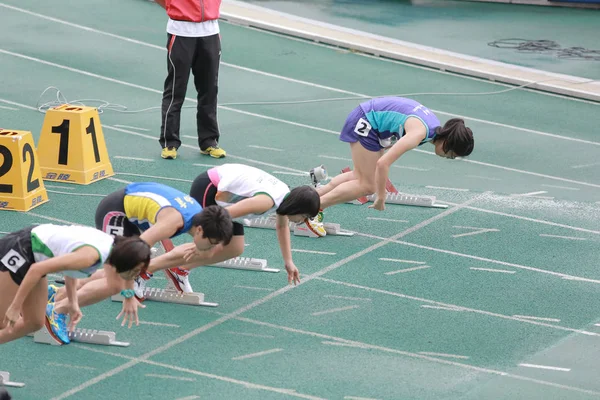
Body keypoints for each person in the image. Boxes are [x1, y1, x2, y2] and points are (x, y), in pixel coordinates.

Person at [49, 182, 234, 334]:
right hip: (116, 213)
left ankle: (59, 293)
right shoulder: (173, 222)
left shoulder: (198, 217)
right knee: (115, 282)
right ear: (200, 230)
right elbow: (131, 257)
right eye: (211, 242)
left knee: (118, 275)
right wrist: (129, 294)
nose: (210, 249)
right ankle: (57, 310)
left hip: (133, 215)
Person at [305, 96, 475, 236]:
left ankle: (310, 198)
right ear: (447, 142)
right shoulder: (420, 133)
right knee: (367, 185)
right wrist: (380, 196)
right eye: (452, 155)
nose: (449, 158)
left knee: (360, 176)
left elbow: (397, 122)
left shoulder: (432, 127)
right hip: (366, 121)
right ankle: (312, 210)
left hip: (373, 123)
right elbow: (383, 163)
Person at [138, 163, 321, 286]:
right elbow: (222, 216)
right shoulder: (265, 202)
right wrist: (202, 243)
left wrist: (288, 261)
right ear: (297, 207)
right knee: (208, 245)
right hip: (209, 187)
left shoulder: (284, 198)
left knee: (234, 247)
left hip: (222, 199)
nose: (303, 221)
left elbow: (281, 227)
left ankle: (180, 269)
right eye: (304, 216)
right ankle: (144, 270)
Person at [0, 224, 151, 345]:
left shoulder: (113, 249)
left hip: (36, 257)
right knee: (3, 322)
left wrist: (73, 302)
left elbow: (70, 270)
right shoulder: (91, 257)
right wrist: (15, 306)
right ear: (126, 262)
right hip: (20, 251)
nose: (135, 275)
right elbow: (35, 270)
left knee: (34, 322)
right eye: (136, 270)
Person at [153, 0, 226, 160]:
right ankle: (169, 142)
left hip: (210, 31)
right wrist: (174, 7)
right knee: (175, 90)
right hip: (181, 32)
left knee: (209, 90)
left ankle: (209, 141)